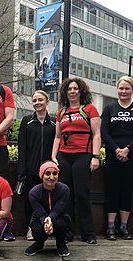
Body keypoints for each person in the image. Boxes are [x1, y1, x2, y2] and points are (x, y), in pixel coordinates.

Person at [51, 77, 101, 244]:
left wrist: (95, 156)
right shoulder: (61, 112)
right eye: (69, 89)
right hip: (64, 156)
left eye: (75, 89)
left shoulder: (89, 109)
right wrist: (53, 157)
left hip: (83, 155)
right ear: (65, 92)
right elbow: (57, 137)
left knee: (82, 194)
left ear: (81, 91)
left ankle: (88, 234)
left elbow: (97, 134)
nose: (72, 91)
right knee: (66, 194)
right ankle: (67, 232)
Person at [101, 76, 133, 241]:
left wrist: (127, 149)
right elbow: (104, 132)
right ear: (117, 90)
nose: (124, 91)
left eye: (127, 88)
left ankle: (124, 227)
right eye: (121, 88)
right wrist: (116, 149)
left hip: (132, 155)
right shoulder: (109, 109)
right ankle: (111, 227)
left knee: (127, 190)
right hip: (113, 155)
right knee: (112, 189)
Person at [17, 90, 56, 240]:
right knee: (31, 201)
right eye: (34, 101)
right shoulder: (26, 121)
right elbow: (22, 147)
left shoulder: (53, 123)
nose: (37, 103)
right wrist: (22, 171)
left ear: (47, 102)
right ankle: (31, 228)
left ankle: (48, 227)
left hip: (49, 170)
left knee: (49, 200)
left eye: (40, 100)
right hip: (31, 170)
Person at [25, 161, 71, 257]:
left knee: (62, 223)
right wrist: (46, 221)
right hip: (40, 218)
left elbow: (58, 208)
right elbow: (40, 212)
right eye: (47, 174)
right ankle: (39, 243)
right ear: (42, 175)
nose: (51, 177)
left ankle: (61, 243)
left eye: (55, 174)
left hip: (59, 217)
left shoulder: (64, 189)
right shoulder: (34, 193)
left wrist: (50, 218)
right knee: (36, 228)